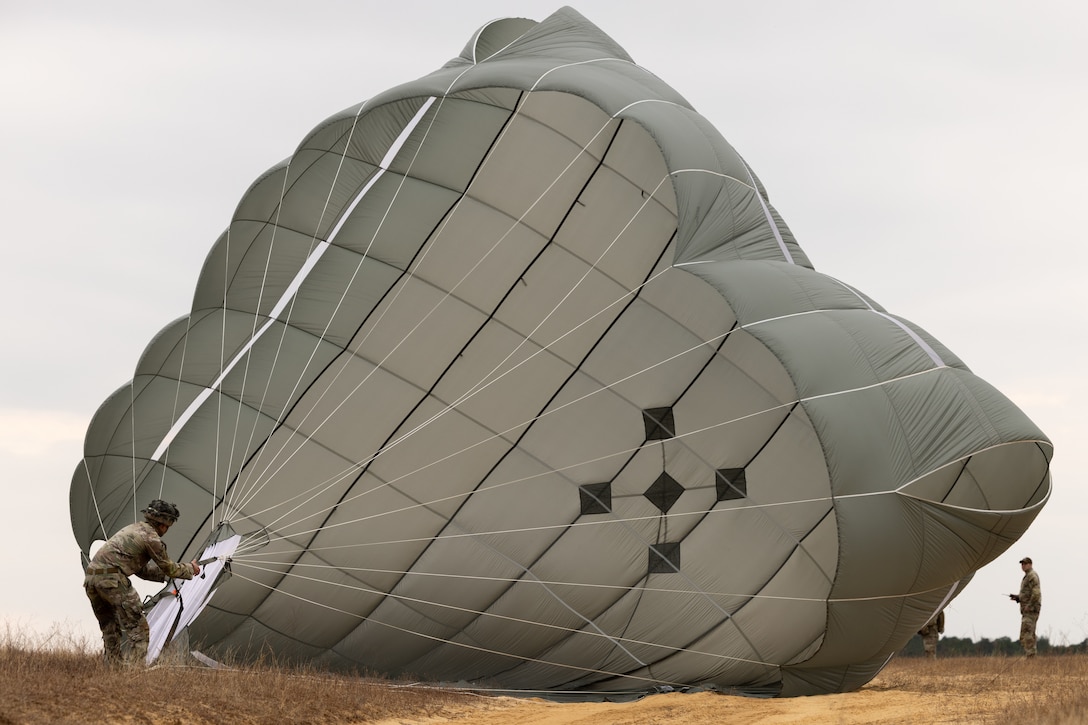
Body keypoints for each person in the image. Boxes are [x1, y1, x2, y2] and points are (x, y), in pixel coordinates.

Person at [83, 499, 201, 666]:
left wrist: (167, 577)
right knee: (139, 629)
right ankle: (134, 675)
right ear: (164, 525)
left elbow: (142, 571)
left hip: (91, 579)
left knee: (110, 629)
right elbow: (169, 568)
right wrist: (190, 569)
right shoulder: (151, 538)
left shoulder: (133, 529)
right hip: (113, 579)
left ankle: (114, 672)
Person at [1008, 556, 1042, 657]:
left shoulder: (1032, 576)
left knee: (1027, 633)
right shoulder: (1027, 576)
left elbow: (1036, 593)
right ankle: (1030, 655)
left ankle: (1031, 657)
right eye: (1022, 564)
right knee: (1026, 633)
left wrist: (1029, 605)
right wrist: (1018, 598)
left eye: (1025, 564)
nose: (1023, 566)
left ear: (1030, 564)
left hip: (1031, 610)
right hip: (1027, 609)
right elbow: (1028, 593)